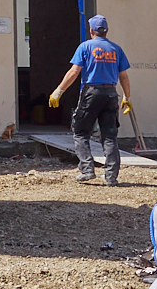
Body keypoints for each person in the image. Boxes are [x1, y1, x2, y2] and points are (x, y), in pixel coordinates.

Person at [48, 14, 133, 186]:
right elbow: (123, 76)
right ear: (106, 30)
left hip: (91, 94)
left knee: (80, 132)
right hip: (110, 94)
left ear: (91, 30)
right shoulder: (116, 49)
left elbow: (74, 72)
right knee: (109, 135)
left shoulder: (85, 47)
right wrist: (126, 97)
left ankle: (87, 170)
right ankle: (111, 177)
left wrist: (59, 91)